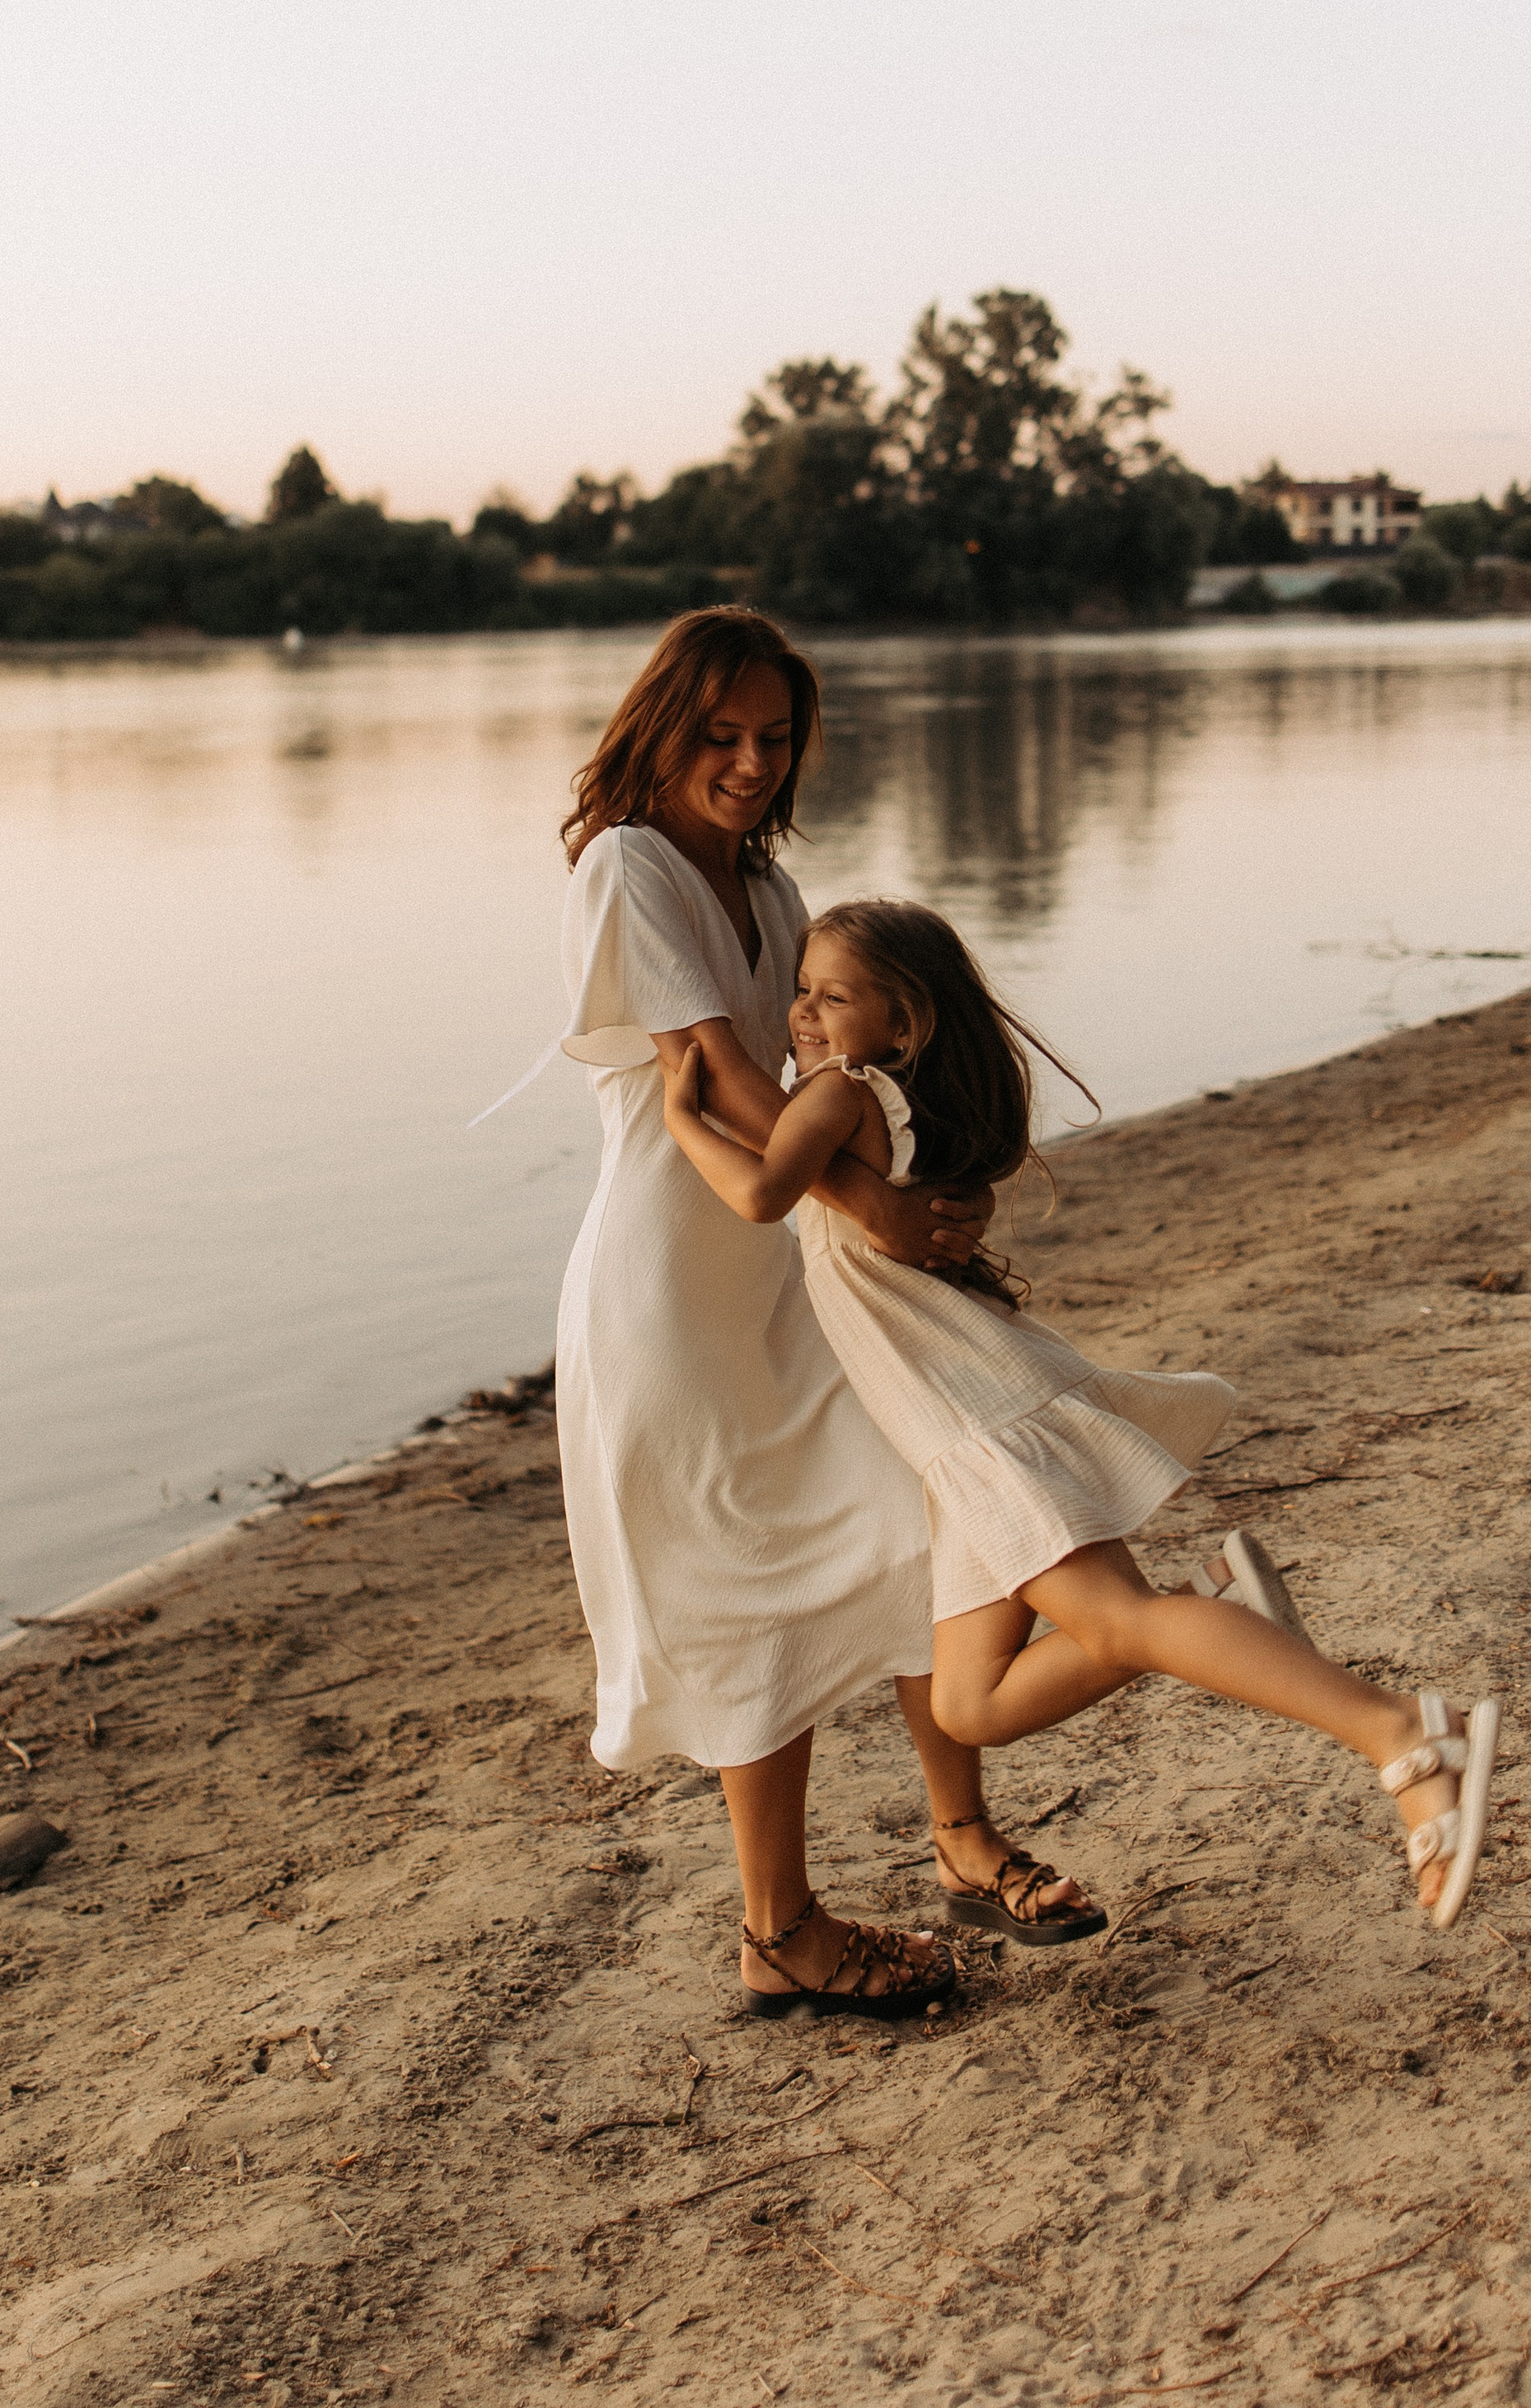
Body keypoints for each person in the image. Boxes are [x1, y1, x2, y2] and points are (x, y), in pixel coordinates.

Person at [662, 894, 1501, 1932]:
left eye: (831, 996)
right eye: (799, 989)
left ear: (901, 1023)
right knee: (971, 1703)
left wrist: (678, 1113)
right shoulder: (889, 1091)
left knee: (1118, 1619)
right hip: (949, 1422)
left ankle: (1406, 1734)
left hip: (973, 1410)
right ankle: (1220, 1608)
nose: (801, 1010)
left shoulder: (841, 1091)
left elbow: (758, 1190)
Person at [552, 608, 1103, 2024]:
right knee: (747, 1586)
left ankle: (964, 1844)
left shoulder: (773, 887)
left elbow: (831, 1069)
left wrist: (928, 1190)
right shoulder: (629, 865)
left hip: (796, 1276)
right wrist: (879, 1208)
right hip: (678, 1288)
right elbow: (721, 1076)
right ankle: (778, 1925)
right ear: (662, 727)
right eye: (721, 734)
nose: (748, 761)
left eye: (774, 736)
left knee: (919, 1524)